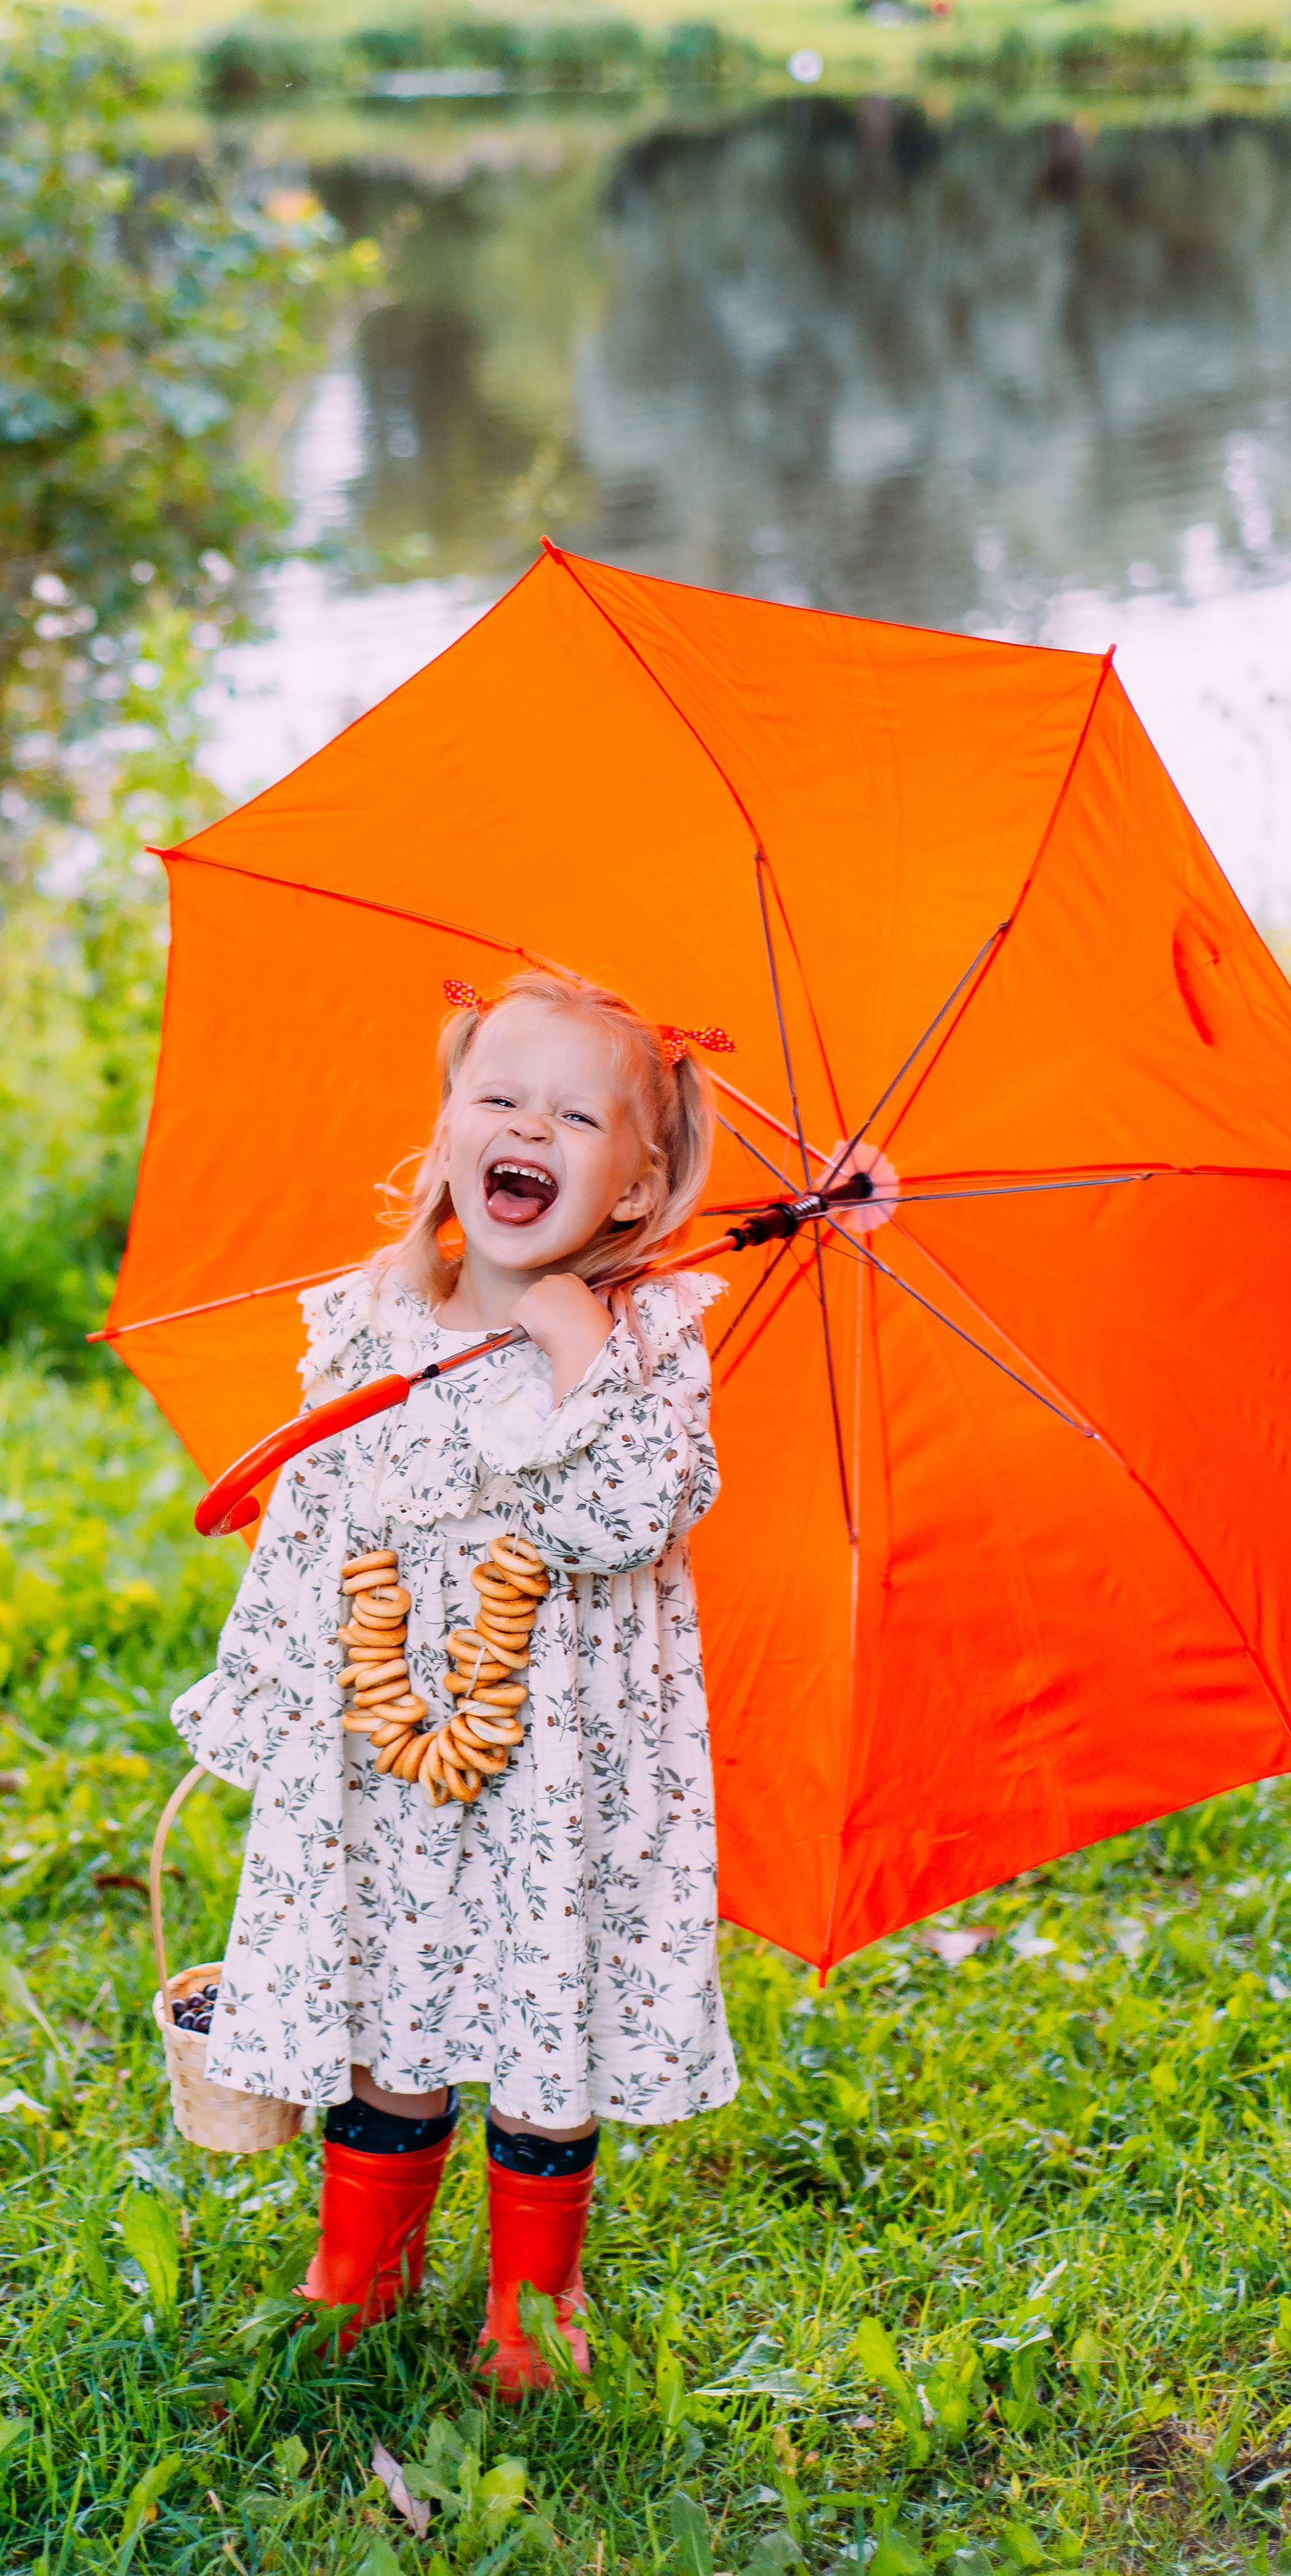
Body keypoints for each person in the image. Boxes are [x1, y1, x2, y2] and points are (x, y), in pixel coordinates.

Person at [169, 968, 736, 2396]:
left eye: (572, 1114)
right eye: (496, 1097)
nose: (524, 1128)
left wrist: (579, 1362)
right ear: (446, 1131)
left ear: (631, 1185)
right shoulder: (371, 1320)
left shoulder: (646, 1342)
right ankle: (362, 2267)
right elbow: (314, 1522)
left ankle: (532, 2305)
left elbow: (624, 1517)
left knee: (542, 2024)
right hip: (384, 1745)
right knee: (389, 2007)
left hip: (559, 1770)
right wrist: (258, 1706)